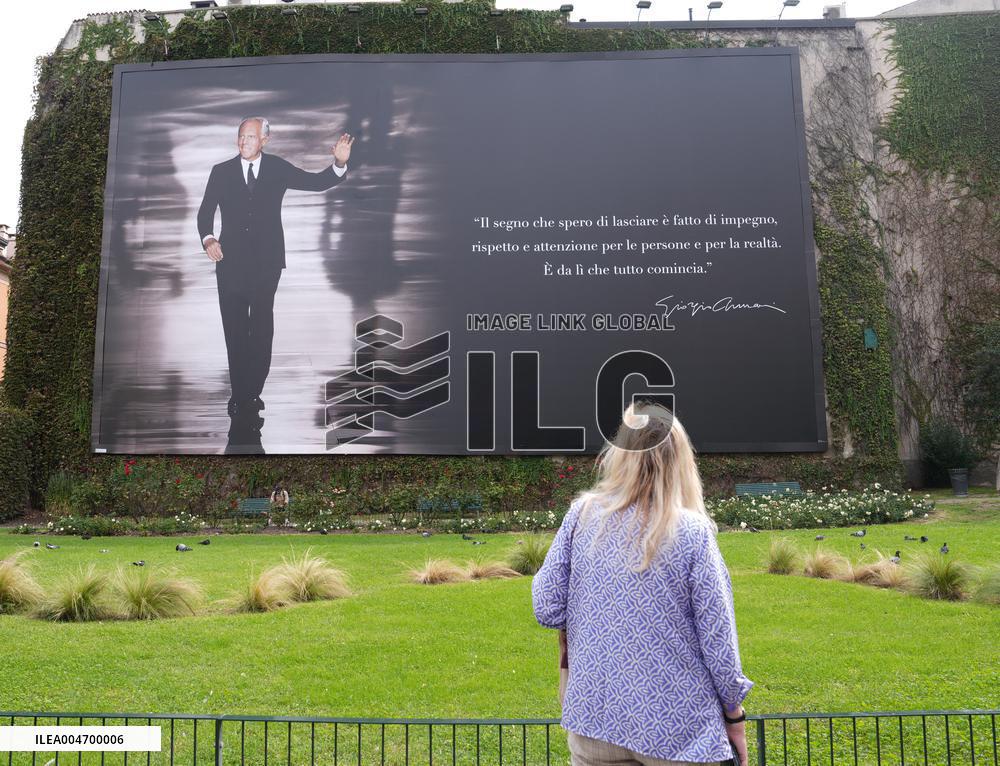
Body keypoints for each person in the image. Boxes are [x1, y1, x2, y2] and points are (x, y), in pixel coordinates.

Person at [532, 403, 752, 766]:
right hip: (680, 731)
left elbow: (547, 606)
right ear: (680, 460)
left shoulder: (582, 517)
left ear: (620, 455)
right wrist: (734, 715)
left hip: (594, 721)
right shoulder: (693, 533)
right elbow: (719, 644)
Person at [197, 117, 354, 419]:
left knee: (261, 329)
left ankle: (251, 390)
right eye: (241, 136)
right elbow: (205, 213)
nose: (244, 142)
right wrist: (208, 239)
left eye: (252, 137)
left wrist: (338, 163)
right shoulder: (221, 172)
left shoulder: (278, 168)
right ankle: (242, 392)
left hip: (267, 264)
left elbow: (316, 182)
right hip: (229, 264)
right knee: (235, 330)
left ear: (265, 140)